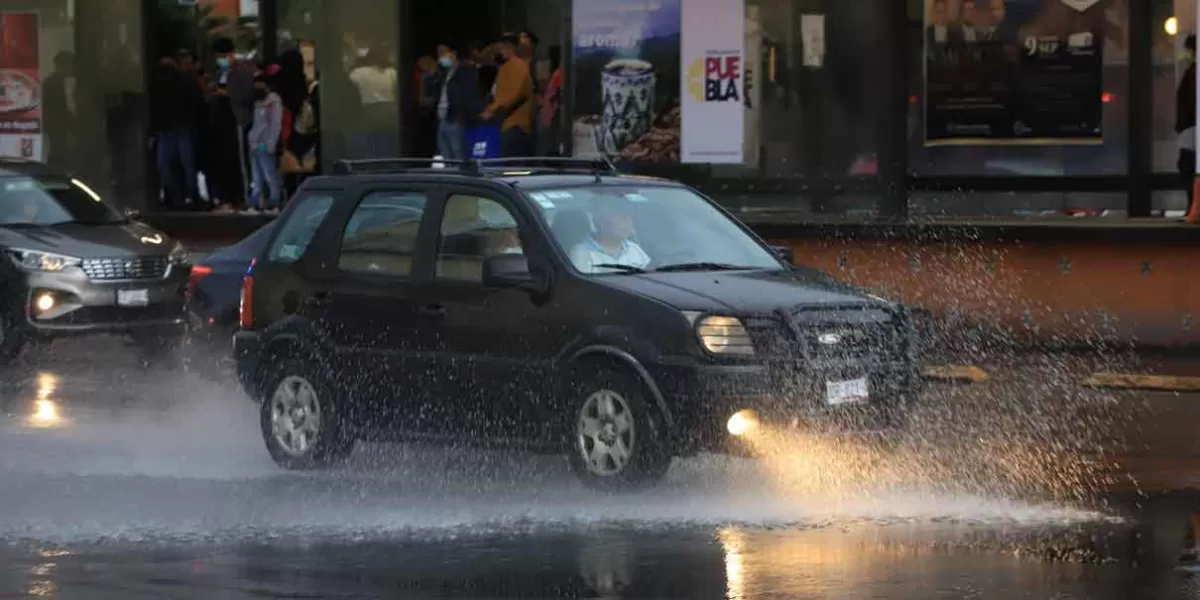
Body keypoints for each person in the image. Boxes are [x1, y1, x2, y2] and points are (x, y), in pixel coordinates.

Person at [150, 55, 203, 209]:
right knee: (187, 164)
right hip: (181, 127)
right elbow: (195, 103)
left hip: (166, 128)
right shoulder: (186, 81)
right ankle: (192, 196)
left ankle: (173, 196)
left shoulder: (156, 83)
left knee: (166, 164)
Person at [211, 37, 257, 209]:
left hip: (237, 118)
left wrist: (228, 94)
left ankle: (242, 196)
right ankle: (226, 197)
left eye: (222, 55)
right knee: (224, 159)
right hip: (221, 120)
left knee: (239, 158)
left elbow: (246, 95)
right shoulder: (220, 73)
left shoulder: (242, 72)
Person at [482, 34, 534, 157]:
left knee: (511, 166)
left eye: (502, 48)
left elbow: (512, 95)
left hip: (515, 125)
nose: (500, 52)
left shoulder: (516, 66)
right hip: (508, 124)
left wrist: (491, 110)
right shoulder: (507, 66)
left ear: (509, 47)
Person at [569, 200, 651, 274]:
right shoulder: (582, 253)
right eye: (619, 216)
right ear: (600, 220)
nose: (626, 221)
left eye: (629, 216)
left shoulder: (634, 249)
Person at [429, 44, 480, 159]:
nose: (442, 57)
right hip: (443, 118)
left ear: (453, 53)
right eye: (439, 54)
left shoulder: (465, 71)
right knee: (445, 154)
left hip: (455, 119)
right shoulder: (443, 73)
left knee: (458, 153)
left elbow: (468, 95)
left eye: (444, 52)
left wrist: (462, 117)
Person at [246, 75, 284, 215]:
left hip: (264, 144)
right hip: (256, 144)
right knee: (257, 176)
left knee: (269, 173)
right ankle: (256, 203)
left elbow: (275, 125)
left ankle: (274, 203)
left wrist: (271, 144)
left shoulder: (273, 103)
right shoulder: (258, 103)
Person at [1178, 34, 1197, 218]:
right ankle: (1193, 207)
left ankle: (1193, 207)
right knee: (1188, 166)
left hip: (1192, 127)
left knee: (1188, 166)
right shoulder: (1192, 72)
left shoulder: (1193, 73)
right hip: (1190, 127)